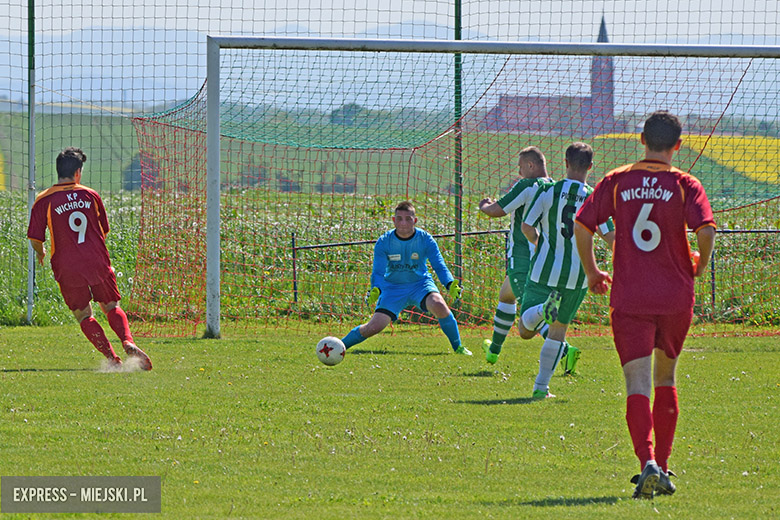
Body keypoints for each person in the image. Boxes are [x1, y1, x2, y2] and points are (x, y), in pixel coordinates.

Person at [574, 111, 716, 499]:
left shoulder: (618, 181)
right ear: (678, 145)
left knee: (637, 383)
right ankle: (665, 467)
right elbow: (706, 231)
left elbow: (582, 226)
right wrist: (699, 265)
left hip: (631, 297)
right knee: (665, 378)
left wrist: (592, 272)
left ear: (641, 140)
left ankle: (647, 463)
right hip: (674, 296)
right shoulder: (686, 183)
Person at [27, 147, 152, 370]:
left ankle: (112, 358)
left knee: (83, 314)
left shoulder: (43, 199)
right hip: (97, 260)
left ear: (58, 171)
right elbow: (103, 231)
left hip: (67, 266)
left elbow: (36, 238)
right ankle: (128, 341)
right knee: (111, 305)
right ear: (78, 172)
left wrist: (41, 252)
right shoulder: (90, 195)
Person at [516, 142, 614, 399]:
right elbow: (611, 238)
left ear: (566, 163)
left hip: (543, 271)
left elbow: (527, 226)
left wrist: (540, 243)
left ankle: (540, 310)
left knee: (525, 331)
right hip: (577, 277)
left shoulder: (549, 190)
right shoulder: (595, 199)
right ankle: (541, 388)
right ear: (591, 168)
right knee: (558, 331)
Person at [340, 201, 470, 356]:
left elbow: (439, 265)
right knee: (373, 327)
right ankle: (339, 347)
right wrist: (376, 289)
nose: (403, 223)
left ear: (414, 221)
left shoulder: (425, 239)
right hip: (393, 288)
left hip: (420, 285)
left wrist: (450, 284)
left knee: (439, 304)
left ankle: (459, 348)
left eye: (408, 219)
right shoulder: (384, 241)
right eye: (399, 218)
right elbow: (378, 272)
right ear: (394, 221)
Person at [477, 146, 553, 365]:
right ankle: (494, 350)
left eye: (521, 167)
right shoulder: (554, 186)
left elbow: (497, 210)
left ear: (530, 166)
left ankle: (565, 350)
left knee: (530, 311)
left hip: (524, 256)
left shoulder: (527, 185)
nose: (519, 173)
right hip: (546, 256)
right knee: (506, 295)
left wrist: (484, 204)